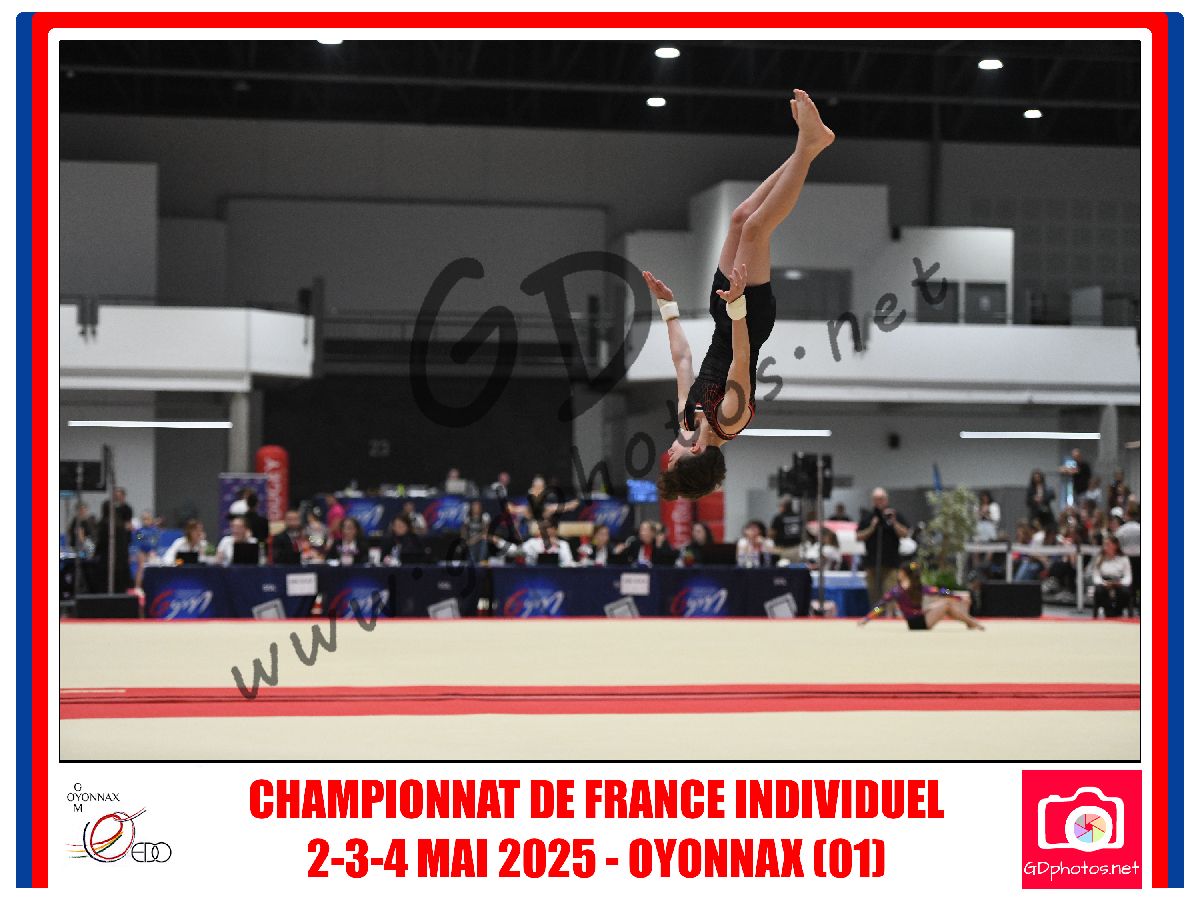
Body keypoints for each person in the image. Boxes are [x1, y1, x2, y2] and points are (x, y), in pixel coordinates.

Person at [651, 90, 835, 500]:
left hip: (726, 312)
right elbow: (741, 356)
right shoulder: (729, 421)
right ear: (696, 453)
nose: (669, 453)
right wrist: (736, 304)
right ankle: (808, 146)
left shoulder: (688, 421)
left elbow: (683, 360)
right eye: (674, 460)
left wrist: (668, 308)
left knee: (738, 219)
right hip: (746, 321)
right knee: (756, 229)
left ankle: (809, 146)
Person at [859, 562, 985, 631]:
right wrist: (957, 597)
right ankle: (972, 622)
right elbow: (941, 591)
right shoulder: (917, 587)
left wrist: (867, 618)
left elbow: (880, 606)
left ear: (902, 574)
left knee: (942, 605)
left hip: (914, 621)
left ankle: (969, 622)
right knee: (946, 604)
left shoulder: (897, 590)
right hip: (919, 623)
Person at [856, 487, 911, 611]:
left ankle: (889, 616)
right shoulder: (868, 517)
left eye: (881, 499)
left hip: (890, 565)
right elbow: (858, 536)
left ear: (886, 499)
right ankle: (876, 616)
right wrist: (872, 527)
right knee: (874, 598)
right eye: (876, 499)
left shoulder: (895, 515)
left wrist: (894, 522)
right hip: (871, 564)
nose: (879, 501)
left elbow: (905, 533)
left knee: (890, 596)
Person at [1092, 535, 1133, 618]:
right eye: (1104, 544)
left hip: (1119, 582)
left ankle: (1118, 611)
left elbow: (1128, 576)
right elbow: (1096, 576)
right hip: (1104, 582)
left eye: (1108, 544)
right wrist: (1103, 583)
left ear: (1115, 545)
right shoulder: (1099, 558)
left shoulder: (1124, 559)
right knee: (1099, 591)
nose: (1105, 547)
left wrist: (1120, 583)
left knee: (1125, 592)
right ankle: (1108, 612)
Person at [461, 499, 492, 564]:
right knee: (467, 546)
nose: (476, 509)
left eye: (477, 507)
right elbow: (463, 531)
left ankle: (482, 561)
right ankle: (471, 563)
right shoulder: (467, 517)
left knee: (484, 540)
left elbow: (485, 532)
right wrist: (464, 541)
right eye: (474, 507)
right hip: (470, 541)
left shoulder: (485, 516)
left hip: (480, 540)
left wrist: (474, 540)